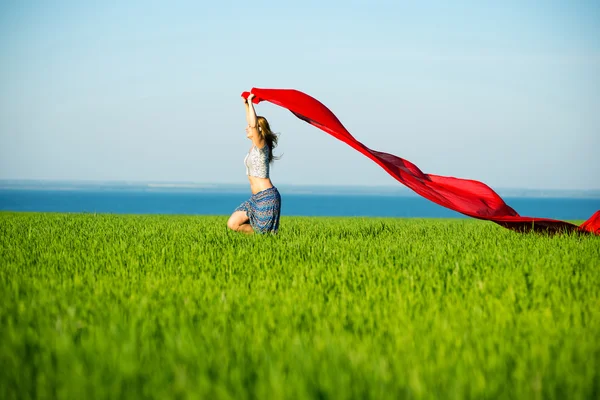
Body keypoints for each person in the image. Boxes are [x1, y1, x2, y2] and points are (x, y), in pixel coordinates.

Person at [227, 93, 281, 234]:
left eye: (250, 127)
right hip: (255, 198)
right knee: (233, 223)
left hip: (267, 197)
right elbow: (251, 123)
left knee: (263, 234)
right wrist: (245, 104)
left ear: (259, 130)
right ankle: (259, 238)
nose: (247, 128)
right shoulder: (253, 148)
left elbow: (253, 124)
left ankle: (264, 241)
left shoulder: (261, 146)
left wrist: (251, 102)